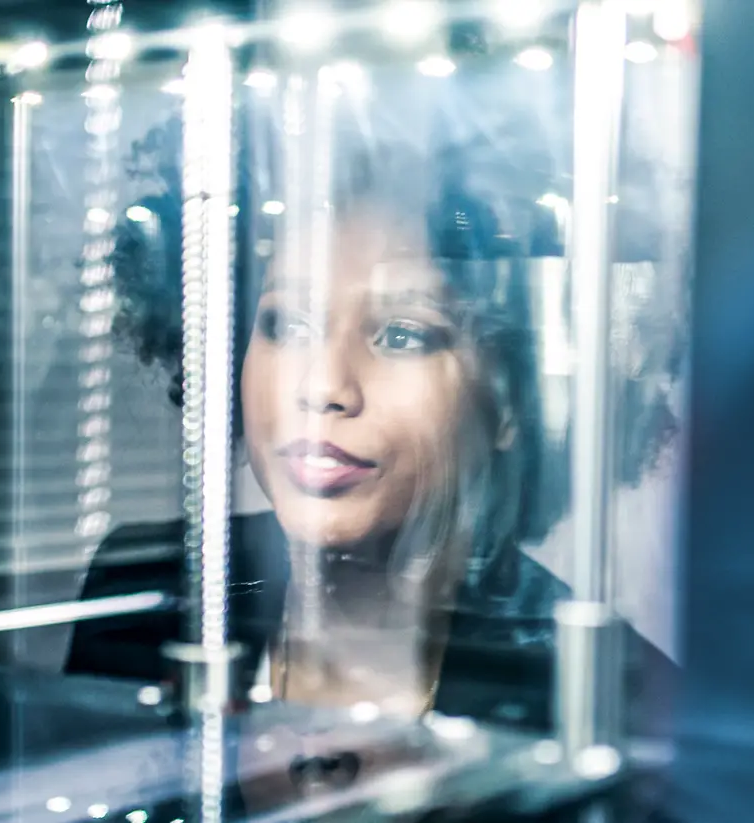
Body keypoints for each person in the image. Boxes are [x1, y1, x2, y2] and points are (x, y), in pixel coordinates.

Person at [67, 115, 675, 814]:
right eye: (287, 325)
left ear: (516, 394)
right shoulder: (144, 595)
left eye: (402, 334)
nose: (324, 385)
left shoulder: (615, 695)